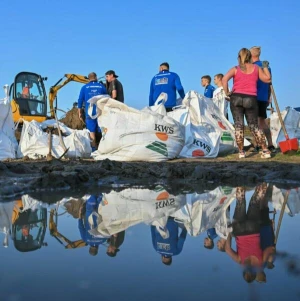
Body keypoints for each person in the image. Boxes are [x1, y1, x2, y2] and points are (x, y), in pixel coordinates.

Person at [222, 48, 272, 159]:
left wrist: (227, 93)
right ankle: (265, 149)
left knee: (239, 125)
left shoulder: (235, 69)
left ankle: (241, 152)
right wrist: (265, 67)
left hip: (236, 98)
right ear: (249, 57)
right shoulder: (256, 68)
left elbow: (224, 80)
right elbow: (268, 79)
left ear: (239, 57)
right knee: (254, 126)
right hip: (251, 98)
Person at [250, 46, 276, 153]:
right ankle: (270, 144)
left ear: (251, 55)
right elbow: (269, 83)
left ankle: (258, 144)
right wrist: (269, 96)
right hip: (264, 97)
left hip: (254, 96)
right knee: (262, 121)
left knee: (254, 122)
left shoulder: (252, 67)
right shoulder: (266, 67)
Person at [77, 72, 107, 151]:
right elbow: (107, 98)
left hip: (90, 112)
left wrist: (79, 112)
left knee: (91, 131)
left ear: (88, 78)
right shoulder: (102, 86)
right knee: (103, 130)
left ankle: (94, 149)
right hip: (101, 112)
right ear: (96, 77)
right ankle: (104, 148)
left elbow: (80, 100)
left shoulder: (84, 87)